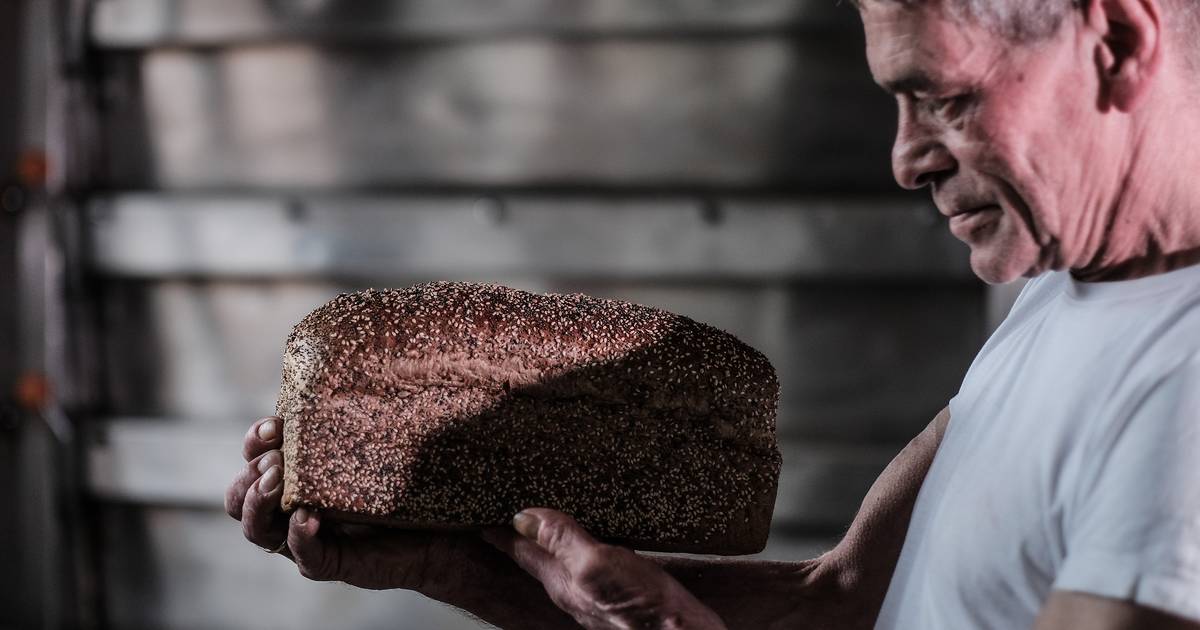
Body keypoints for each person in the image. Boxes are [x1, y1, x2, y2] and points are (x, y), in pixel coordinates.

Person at [225, 0, 1200, 627]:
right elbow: (843, 601)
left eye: (940, 98)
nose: (905, 158)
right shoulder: (1066, 292)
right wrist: (459, 568)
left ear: (1116, 44)